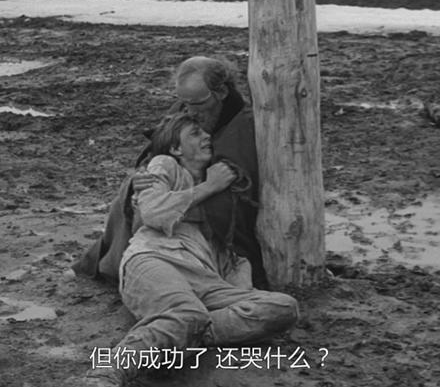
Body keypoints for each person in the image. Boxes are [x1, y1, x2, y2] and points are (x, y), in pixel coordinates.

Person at [81, 113, 299, 387]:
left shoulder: (223, 193)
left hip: (205, 278)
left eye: (205, 132)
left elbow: (231, 257)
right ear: (176, 148)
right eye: (195, 133)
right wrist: (209, 186)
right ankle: (106, 373)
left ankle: (186, 334)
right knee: (186, 313)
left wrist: (241, 290)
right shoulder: (166, 166)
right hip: (156, 260)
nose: (207, 136)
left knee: (282, 307)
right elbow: (154, 213)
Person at [72, 56, 269, 290]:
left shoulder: (244, 124)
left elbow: (238, 183)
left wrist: (199, 190)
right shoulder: (186, 108)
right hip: (176, 184)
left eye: (198, 104)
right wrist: (142, 177)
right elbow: (158, 147)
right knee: (130, 191)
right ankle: (111, 266)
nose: (190, 112)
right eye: (184, 103)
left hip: (217, 200)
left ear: (222, 92)